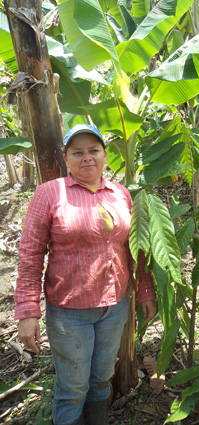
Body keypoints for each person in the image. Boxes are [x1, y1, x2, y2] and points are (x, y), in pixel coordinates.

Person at [14, 124, 156, 425]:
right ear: (66, 159)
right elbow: (30, 254)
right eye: (77, 152)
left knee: (101, 380)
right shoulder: (49, 193)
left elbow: (135, 250)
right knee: (72, 389)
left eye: (93, 151)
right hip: (69, 314)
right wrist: (27, 312)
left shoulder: (120, 194)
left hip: (114, 308)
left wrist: (144, 290)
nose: (87, 158)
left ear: (105, 155)